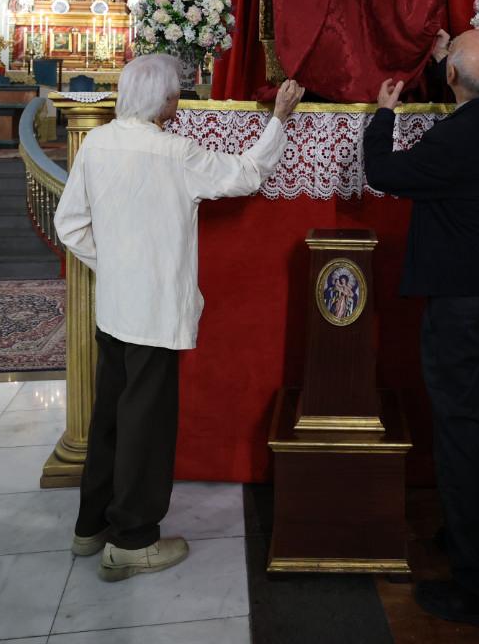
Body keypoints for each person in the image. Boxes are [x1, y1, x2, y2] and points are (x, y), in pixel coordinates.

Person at [55, 53, 304, 582]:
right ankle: (132, 540)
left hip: (116, 305)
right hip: (154, 309)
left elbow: (70, 224)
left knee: (111, 417)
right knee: (146, 423)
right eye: (176, 93)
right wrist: (279, 118)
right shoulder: (174, 153)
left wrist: (115, 267)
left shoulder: (96, 143)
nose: (179, 100)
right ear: (164, 100)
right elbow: (247, 173)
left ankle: (90, 526)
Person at [363, 29, 479, 632]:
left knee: (462, 440)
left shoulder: (454, 140)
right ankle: (472, 536)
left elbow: (382, 171)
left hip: (460, 311)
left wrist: (383, 115)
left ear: (457, 81)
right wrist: (446, 63)